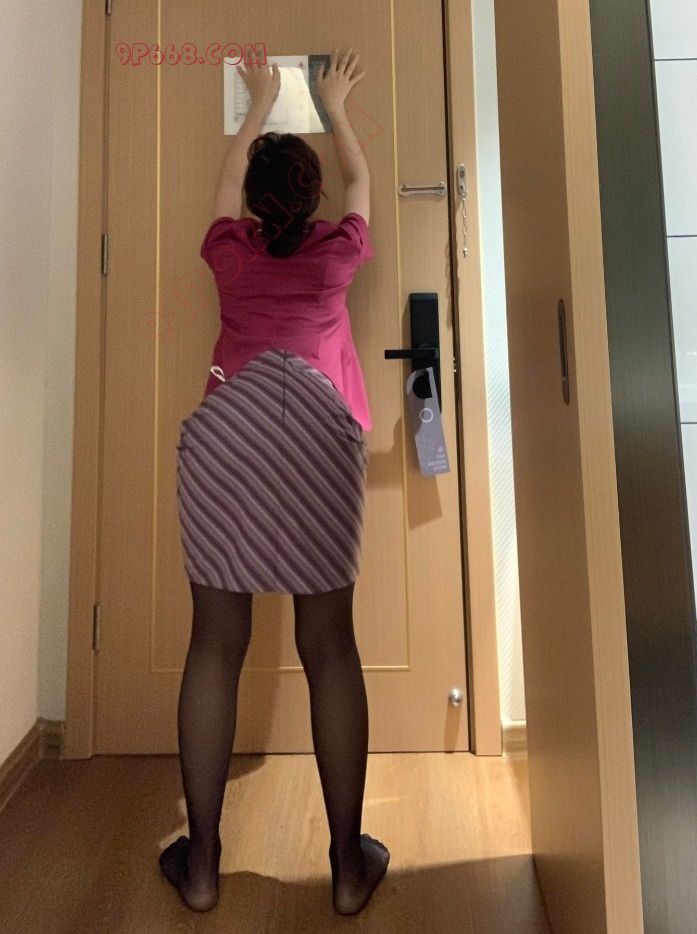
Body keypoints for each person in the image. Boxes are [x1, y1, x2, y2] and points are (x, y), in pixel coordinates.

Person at [158, 48, 390, 917]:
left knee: (215, 645)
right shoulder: (339, 254)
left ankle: (202, 867)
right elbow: (360, 180)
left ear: (255, 205)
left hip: (229, 437)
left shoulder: (229, 253)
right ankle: (347, 867)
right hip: (319, 442)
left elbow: (226, 183)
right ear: (312, 198)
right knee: (330, 648)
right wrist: (334, 107)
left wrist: (258, 101)